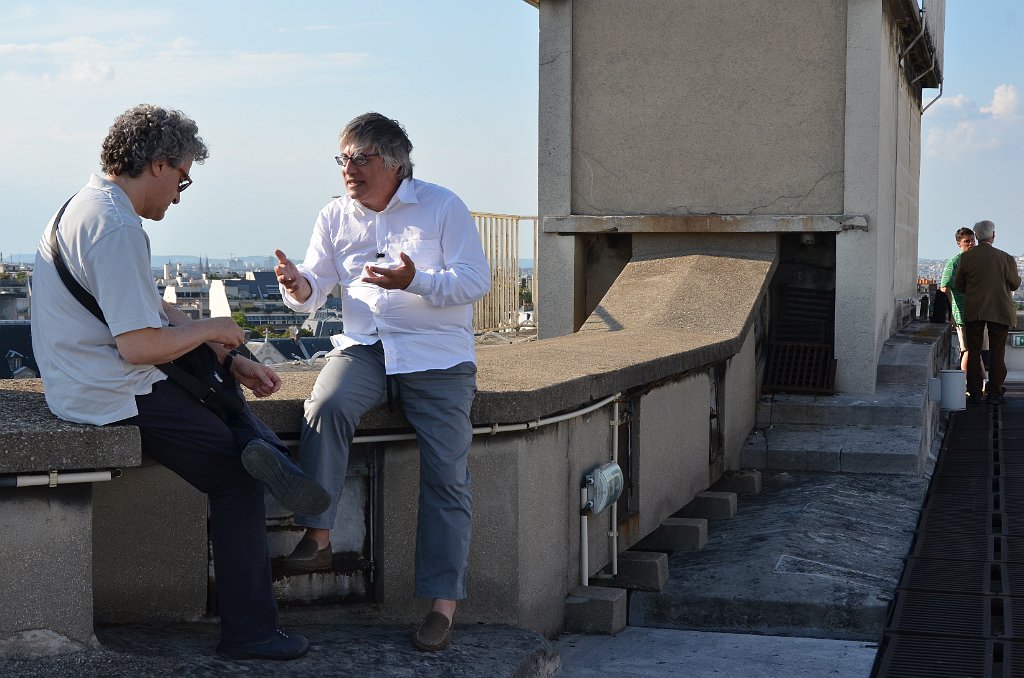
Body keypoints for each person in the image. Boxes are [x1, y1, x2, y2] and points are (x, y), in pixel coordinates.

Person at [30, 104, 330, 660]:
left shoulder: (83, 206)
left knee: (221, 387)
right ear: (160, 164)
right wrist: (215, 327)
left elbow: (149, 309)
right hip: (112, 390)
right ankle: (251, 632)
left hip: (85, 377)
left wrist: (225, 352)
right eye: (183, 180)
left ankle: (257, 440)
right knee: (236, 479)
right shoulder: (117, 227)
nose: (178, 196)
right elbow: (139, 345)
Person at [274, 112, 490, 652]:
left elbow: (475, 280)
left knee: (446, 476)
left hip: (436, 354)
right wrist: (298, 286)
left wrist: (416, 281)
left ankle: (441, 606)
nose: (349, 168)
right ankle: (319, 534)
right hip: (367, 347)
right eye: (344, 158)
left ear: (395, 164)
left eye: (361, 158)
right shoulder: (334, 215)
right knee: (326, 404)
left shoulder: (442, 205)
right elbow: (317, 284)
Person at [954, 219, 1022, 405]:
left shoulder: (967, 258)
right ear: (993, 235)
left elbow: (959, 285)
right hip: (1000, 310)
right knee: (997, 353)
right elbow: (1015, 284)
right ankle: (995, 393)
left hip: (975, 310)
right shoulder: (1006, 258)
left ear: (976, 236)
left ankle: (974, 392)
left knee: (974, 352)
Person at [939, 227, 989, 379]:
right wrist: (951, 313)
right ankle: (966, 383)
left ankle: (981, 382)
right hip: (963, 314)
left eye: (972, 240)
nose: (971, 244)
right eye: (967, 241)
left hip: (978, 313)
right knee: (967, 350)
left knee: (975, 351)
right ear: (959, 244)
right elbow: (944, 288)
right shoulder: (955, 262)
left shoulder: (977, 261)